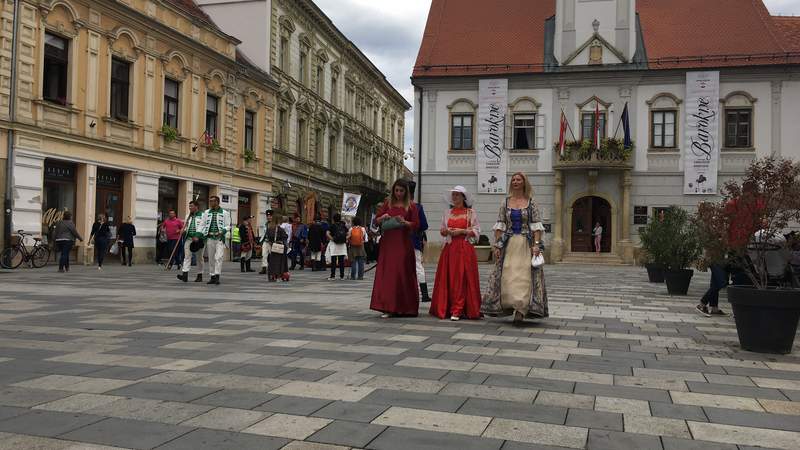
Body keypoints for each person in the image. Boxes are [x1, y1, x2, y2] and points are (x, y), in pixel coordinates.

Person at [482, 172, 548, 325]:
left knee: (524, 276)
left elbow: (536, 227)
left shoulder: (531, 203)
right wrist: (497, 245)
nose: (516, 182)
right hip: (509, 244)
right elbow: (500, 225)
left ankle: (521, 310)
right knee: (508, 275)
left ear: (524, 183)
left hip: (526, 244)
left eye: (519, 179)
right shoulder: (505, 203)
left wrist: (536, 246)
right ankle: (510, 305)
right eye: (514, 180)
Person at [430, 186, 482, 321]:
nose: (455, 197)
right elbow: (442, 230)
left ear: (463, 198)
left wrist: (462, 231)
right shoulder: (447, 212)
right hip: (450, 248)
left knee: (462, 278)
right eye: (453, 195)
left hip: (464, 248)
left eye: (457, 195)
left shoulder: (470, 212)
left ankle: (458, 309)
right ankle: (449, 307)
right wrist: (446, 231)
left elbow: (476, 231)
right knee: (449, 278)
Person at [370, 179, 420, 318]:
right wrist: (383, 217)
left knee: (402, 271)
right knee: (389, 273)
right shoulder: (388, 203)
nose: (398, 193)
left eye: (401, 191)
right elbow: (376, 221)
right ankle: (388, 307)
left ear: (406, 192)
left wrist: (405, 222)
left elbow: (416, 224)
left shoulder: (411, 206)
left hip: (403, 242)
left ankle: (405, 307)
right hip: (388, 242)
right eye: (396, 190)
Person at [408, 181, 430, 303]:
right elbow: (424, 225)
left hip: (401, 243)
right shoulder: (417, 207)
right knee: (418, 267)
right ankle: (425, 294)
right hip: (414, 241)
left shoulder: (397, 206)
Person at [200, 196, 231, 285]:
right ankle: (212, 276)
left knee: (219, 257)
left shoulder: (225, 213)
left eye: (212, 201)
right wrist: (200, 234)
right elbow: (202, 224)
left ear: (217, 202)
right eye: (210, 201)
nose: (211, 203)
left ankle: (217, 276)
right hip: (209, 238)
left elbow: (228, 225)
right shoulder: (206, 212)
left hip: (219, 238)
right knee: (211, 258)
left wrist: (223, 231)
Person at [178, 200, 205, 282]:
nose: (190, 208)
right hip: (189, 238)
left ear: (196, 207)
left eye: (191, 206)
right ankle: (185, 275)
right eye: (189, 206)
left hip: (199, 240)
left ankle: (200, 275)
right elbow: (186, 226)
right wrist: (183, 230)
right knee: (187, 257)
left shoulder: (203, 216)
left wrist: (198, 236)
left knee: (199, 258)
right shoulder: (188, 216)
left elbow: (204, 227)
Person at [265, 214, 290, 282]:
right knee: (280, 262)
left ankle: (272, 275)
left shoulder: (270, 228)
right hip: (280, 247)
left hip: (273, 247)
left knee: (273, 262)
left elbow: (268, 237)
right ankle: (279, 275)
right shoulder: (280, 229)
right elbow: (285, 236)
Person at [326, 213, 348, 280]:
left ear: (333, 219)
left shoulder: (332, 225)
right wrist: (345, 238)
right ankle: (342, 276)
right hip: (342, 245)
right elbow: (349, 233)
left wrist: (332, 239)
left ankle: (333, 276)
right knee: (341, 261)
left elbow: (327, 233)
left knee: (334, 261)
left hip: (334, 244)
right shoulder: (343, 225)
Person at [259, 210, 274, 275]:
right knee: (264, 255)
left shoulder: (274, 224)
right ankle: (264, 268)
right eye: (267, 216)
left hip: (272, 242)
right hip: (265, 241)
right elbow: (264, 233)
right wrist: (260, 241)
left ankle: (273, 268)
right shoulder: (265, 224)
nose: (268, 217)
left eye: (270, 216)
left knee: (272, 256)